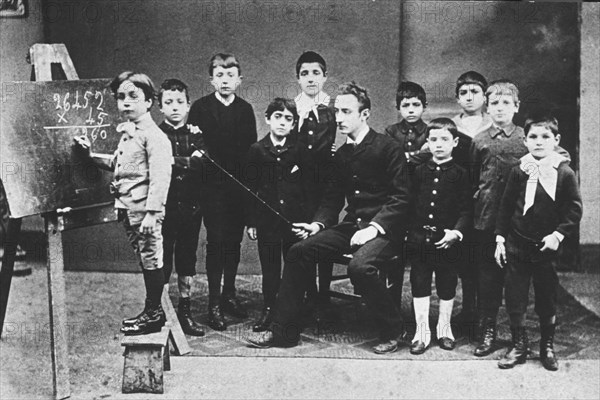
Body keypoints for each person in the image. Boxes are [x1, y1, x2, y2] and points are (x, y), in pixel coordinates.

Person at [245, 81, 410, 354]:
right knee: (299, 251)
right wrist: (317, 224)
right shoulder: (342, 154)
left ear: (365, 114)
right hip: (352, 225)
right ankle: (284, 332)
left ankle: (393, 329)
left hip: (386, 231)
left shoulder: (387, 147)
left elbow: (401, 198)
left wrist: (374, 228)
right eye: (337, 111)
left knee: (360, 267)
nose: (339, 118)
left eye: (346, 112)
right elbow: (332, 198)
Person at [74, 71, 173, 336]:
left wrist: (153, 214)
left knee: (152, 259)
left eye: (133, 96)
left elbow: (161, 178)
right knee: (145, 259)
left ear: (150, 101)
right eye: (120, 97)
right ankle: (153, 311)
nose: (126, 102)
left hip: (144, 211)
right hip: (129, 210)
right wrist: (90, 155)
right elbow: (118, 164)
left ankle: (153, 314)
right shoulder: (129, 133)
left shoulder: (154, 136)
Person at [494, 111, 582, 371]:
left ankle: (547, 345)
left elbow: (574, 210)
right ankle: (519, 344)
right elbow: (506, 206)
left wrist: (558, 235)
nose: (539, 141)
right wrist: (500, 238)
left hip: (546, 247)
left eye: (546, 137)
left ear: (556, 140)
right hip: (517, 243)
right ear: (525, 141)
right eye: (533, 137)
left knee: (547, 296)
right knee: (515, 294)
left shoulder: (564, 173)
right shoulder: (519, 170)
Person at [187, 53, 258, 331]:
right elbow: (192, 146)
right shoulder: (200, 108)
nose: (225, 81)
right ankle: (213, 303)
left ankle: (229, 293)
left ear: (239, 79)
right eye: (219, 75)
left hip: (238, 189)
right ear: (211, 79)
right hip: (211, 189)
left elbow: (251, 152)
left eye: (230, 75)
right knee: (216, 242)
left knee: (233, 243)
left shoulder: (245, 109)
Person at [245, 98, 315, 332]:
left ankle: (296, 310)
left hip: (294, 221)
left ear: (294, 124)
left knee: (295, 265)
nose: (282, 123)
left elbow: (308, 188)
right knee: (270, 268)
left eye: (288, 119)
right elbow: (251, 189)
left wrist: (307, 222)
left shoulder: (299, 150)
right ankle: (269, 309)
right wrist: (252, 222)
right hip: (267, 222)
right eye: (278, 117)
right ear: (267, 119)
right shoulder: (257, 150)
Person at [405, 118, 472, 354]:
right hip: (420, 240)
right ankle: (421, 331)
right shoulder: (418, 171)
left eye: (444, 139)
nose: (439, 144)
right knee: (419, 282)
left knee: (447, 283)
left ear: (455, 142)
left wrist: (456, 232)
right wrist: (410, 233)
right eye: (433, 140)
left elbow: (466, 209)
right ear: (427, 143)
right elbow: (409, 204)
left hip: (448, 242)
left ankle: (445, 328)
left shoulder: (461, 174)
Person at [158, 78, 208, 337]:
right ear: (160, 107)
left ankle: (185, 311)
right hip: (164, 208)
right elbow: (160, 163)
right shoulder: (156, 134)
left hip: (191, 207)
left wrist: (177, 161)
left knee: (187, 258)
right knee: (163, 257)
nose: (175, 107)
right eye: (168, 102)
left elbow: (203, 163)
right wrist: (188, 160)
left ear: (188, 105)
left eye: (180, 102)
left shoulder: (197, 134)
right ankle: (161, 310)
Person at [293, 50, 337, 306]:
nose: (310, 79)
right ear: (298, 78)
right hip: (300, 183)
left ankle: (324, 295)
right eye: (305, 74)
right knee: (304, 236)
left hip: (326, 181)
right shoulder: (293, 107)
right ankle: (308, 293)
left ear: (324, 76)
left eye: (316, 73)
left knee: (326, 232)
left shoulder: (332, 107)